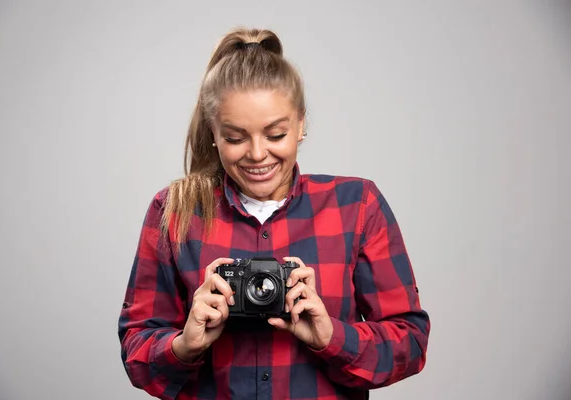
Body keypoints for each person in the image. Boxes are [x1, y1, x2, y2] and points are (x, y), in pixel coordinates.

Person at [118, 27, 430, 400]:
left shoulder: (357, 205)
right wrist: (185, 344)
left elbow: (410, 343)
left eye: (275, 134)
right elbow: (137, 349)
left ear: (300, 125)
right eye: (235, 138)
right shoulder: (174, 211)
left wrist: (331, 336)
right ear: (214, 133)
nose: (257, 153)